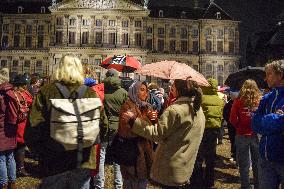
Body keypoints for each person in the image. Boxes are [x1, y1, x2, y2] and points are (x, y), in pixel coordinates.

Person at [24, 54, 108, 189]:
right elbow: (104, 126)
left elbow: (32, 129)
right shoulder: (90, 93)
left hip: (53, 159)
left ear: (59, 69)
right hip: (83, 159)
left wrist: (40, 152)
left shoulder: (46, 92)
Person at [122, 79, 205, 189]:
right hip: (183, 165)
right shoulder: (197, 109)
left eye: (173, 87)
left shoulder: (175, 110)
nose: (171, 89)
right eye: (141, 90)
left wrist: (136, 121)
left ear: (179, 90)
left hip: (171, 165)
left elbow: (157, 132)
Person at [115, 81, 154, 189]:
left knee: (142, 181)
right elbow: (128, 131)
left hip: (145, 152)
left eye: (146, 90)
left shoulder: (147, 107)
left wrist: (152, 119)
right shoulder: (127, 106)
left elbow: (154, 128)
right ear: (133, 91)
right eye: (141, 89)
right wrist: (145, 122)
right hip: (132, 152)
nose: (145, 93)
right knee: (131, 181)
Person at [93, 68, 128, 189]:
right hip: (117, 127)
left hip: (102, 127)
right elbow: (126, 112)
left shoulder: (100, 91)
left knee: (101, 156)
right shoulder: (123, 92)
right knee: (117, 158)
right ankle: (118, 185)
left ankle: (99, 185)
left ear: (106, 76)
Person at [252, 60, 284, 189]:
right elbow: (254, 123)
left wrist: (264, 121)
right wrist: (275, 118)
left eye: (269, 74)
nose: (265, 79)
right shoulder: (267, 98)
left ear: (280, 75)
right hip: (265, 158)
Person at [190, 78, 224, 189]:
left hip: (202, 129)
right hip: (214, 130)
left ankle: (198, 181)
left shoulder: (201, 99)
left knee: (199, 156)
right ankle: (210, 182)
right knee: (211, 157)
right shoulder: (220, 100)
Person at [230, 80, 262, 189]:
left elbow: (232, 119)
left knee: (244, 164)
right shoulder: (259, 101)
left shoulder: (238, 101)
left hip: (242, 134)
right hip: (256, 134)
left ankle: (246, 186)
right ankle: (258, 185)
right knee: (257, 163)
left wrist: (239, 126)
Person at [11, 74, 33, 177]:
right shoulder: (24, 94)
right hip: (22, 124)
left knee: (17, 146)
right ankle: (20, 168)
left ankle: (16, 167)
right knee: (21, 147)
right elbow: (31, 103)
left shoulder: (14, 93)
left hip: (16, 123)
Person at [0, 68, 17, 189]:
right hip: (11, 128)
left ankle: (3, 184)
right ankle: (13, 183)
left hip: (1, 128)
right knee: (10, 157)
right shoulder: (12, 93)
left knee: (1, 158)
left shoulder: (1, 95)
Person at [223, 90, 239, 163]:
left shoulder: (229, 104)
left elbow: (225, 114)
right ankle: (234, 155)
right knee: (234, 140)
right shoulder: (229, 104)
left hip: (233, 125)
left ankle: (235, 155)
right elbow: (225, 114)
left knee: (234, 140)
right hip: (234, 125)